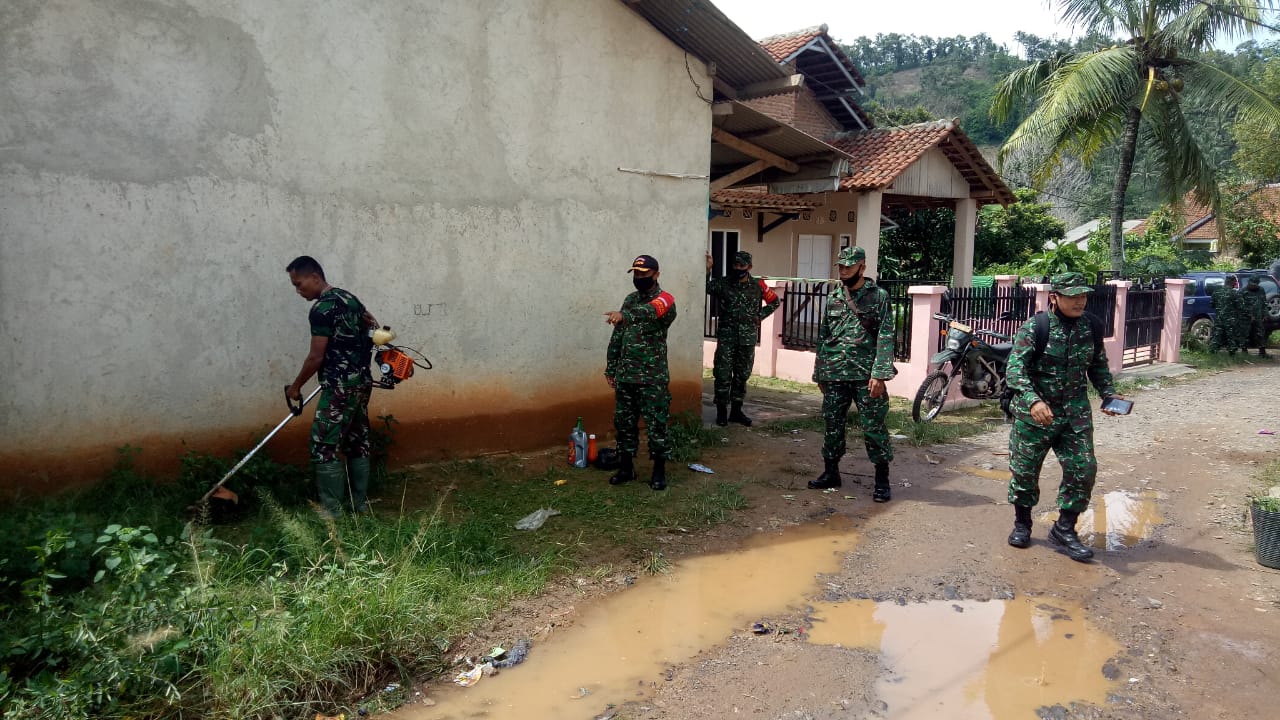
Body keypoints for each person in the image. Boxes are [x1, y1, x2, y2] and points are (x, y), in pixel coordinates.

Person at [1004, 272, 1124, 562]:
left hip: (1074, 414)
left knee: (1084, 469)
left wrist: (1109, 395)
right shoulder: (1036, 328)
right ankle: (1022, 524)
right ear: (1055, 297)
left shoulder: (1091, 327)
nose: (1079, 301)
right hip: (1036, 415)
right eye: (1073, 296)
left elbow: (1097, 365)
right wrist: (1032, 401)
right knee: (1025, 471)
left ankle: (1064, 527)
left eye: (1083, 296)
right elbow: (1015, 371)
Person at [285, 256, 377, 518]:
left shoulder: (322, 309)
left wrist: (296, 386)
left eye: (299, 284)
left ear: (315, 277)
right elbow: (373, 327)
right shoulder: (351, 300)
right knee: (358, 441)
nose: (297, 290)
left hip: (338, 388)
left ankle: (332, 512)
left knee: (324, 446)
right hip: (361, 384)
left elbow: (316, 357)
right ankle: (360, 505)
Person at [808, 246, 896, 502]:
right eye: (841, 266)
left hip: (865, 376)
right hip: (835, 374)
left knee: (873, 427)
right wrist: (820, 374)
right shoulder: (834, 296)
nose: (844, 270)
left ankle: (881, 481)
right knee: (832, 425)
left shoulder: (878, 296)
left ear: (862, 267)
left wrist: (880, 374)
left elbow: (886, 335)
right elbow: (824, 337)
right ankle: (831, 473)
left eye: (849, 266)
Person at [604, 254, 677, 491]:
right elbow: (618, 335)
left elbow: (649, 312)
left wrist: (626, 315)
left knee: (656, 424)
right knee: (624, 423)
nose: (639, 278)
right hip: (626, 375)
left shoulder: (665, 300)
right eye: (636, 274)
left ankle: (658, 472)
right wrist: (611, 366)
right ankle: (626, 468)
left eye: (644, 274)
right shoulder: (630, 299)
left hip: (652, 376)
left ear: (656, 274)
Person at [705, 250, 781, 426]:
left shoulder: (758, 286)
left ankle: (736, 412)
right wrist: (708, 270)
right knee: (722, 375)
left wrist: (759, 316)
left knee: (741, 376)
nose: (738, 268)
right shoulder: (724, 283)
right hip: (727, 338)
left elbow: (775, 301)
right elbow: (707, 287)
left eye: (742, 265)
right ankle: (722, 412)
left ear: (749, 267)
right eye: (735, 265)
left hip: (747, 339)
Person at [1209, 275, 1245, 354]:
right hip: (1231, 319)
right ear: (1233, 282)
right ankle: (1232, 353)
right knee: (1231, 337)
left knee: (1217, 335)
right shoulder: (1234, 293)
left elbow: (1212, 305)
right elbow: (1241, 307)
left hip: (1219, 318)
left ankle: (1212, 351)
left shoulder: (1216, 292)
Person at [1240, 276, 1269, 357]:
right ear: (1249, 282)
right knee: (1245, 334)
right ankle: (1244, 351)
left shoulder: (1261, 290)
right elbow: (1240, 306)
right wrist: (1249, 315)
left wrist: (1265, 314)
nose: (1253, 286)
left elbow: (1264, 302)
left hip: (1258, 316)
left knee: (1260, 333)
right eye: (1252, 284)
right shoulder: (1243, 291)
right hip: (1246, 317)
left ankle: (1262, 352)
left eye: (1255, 284)